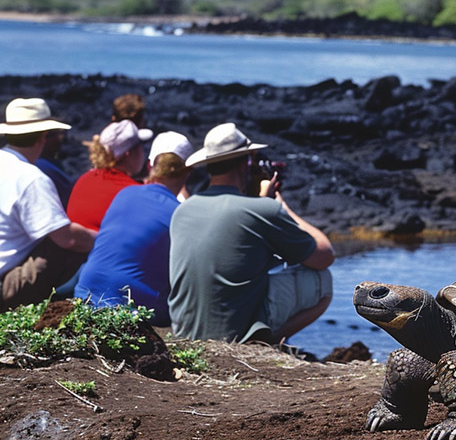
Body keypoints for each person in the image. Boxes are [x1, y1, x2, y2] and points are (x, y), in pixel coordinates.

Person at [168, 123, 335, 344]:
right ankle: (266, 342)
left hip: (185, 330)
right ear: (244, 163)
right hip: (231, 334)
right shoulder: (263, 210)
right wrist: (279, 204)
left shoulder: (182, 210)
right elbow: (325, 256)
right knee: (322, 281)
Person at [74, 132, 193, 325]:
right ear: (189, 172)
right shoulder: (180, 214)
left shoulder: (125, 193)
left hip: (83, 296)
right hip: (132, 310)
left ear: (150, 166)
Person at [0, 98, 96, 311]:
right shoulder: (31, 178)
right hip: (5, 286)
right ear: (43, 137)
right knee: (62, 241)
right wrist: (103, 240)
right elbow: (68, 239)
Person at [67, 119, 153, 231]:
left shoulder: (84, 179)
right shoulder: (134, 193)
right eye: (141, 147)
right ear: (128, 154)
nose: (144, 152)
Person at [35, 128, 74, 207]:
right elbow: (68, 194)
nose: (60, 138)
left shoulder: (53, 162)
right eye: (54, 135)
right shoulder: (42, 166)